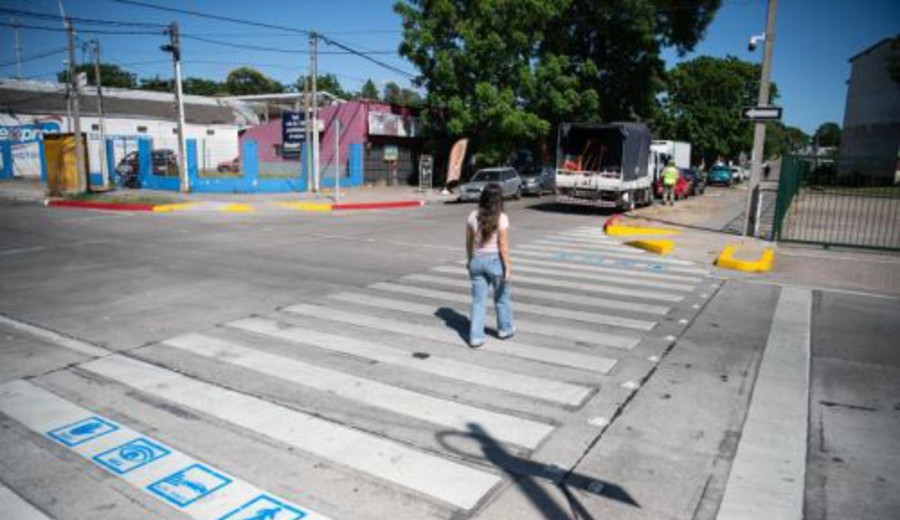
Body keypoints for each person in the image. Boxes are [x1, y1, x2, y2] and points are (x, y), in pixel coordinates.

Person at [466, 183, 514, 348]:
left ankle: (476, 337)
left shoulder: (472, 216)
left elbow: (469, 243)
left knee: (478, 301)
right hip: (495, 262)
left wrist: (469, 260)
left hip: (477, 261)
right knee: (502, 298)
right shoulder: (502, 217)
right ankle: (505, 330)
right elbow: (504, 247)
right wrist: (508, 267)